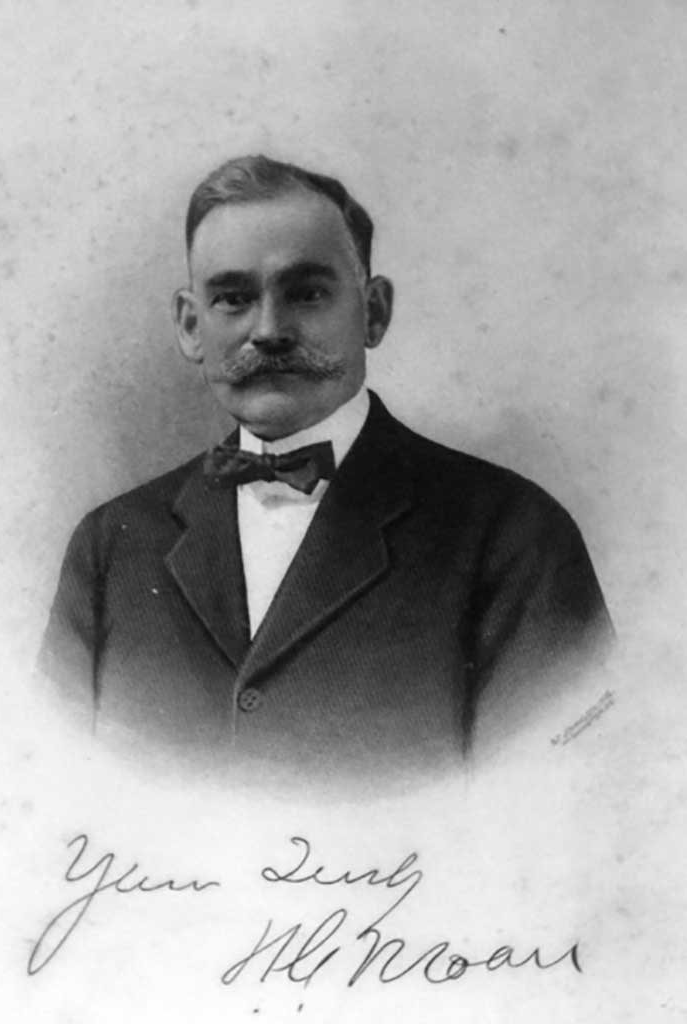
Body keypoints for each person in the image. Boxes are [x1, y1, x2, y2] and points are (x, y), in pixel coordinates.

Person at [39, 154, 613, 778]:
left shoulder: (516, 537)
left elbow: (553, 801)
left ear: (374, 312)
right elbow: (45, 790)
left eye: (307, 293)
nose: (269, 330)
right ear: (189, 325)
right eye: (232, 298)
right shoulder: (109, 547)